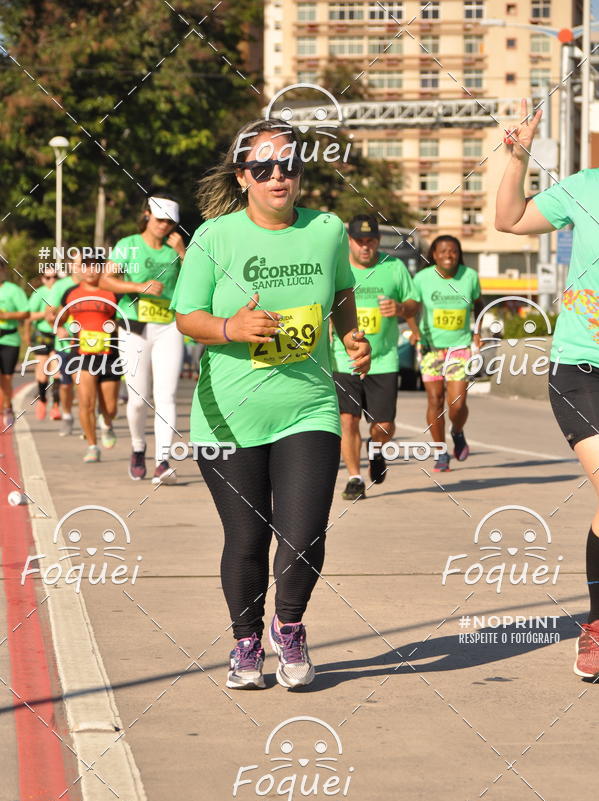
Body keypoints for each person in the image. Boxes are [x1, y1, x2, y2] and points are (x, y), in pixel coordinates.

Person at [172, 118, 370, 690]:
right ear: (244, 176)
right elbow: (187, 317)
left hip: (308, 405)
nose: (277, 175)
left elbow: (339, 293)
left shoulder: (328, 230)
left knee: (305, 531)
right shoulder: (215, 236)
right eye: (263, 167)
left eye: (288, 165)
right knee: (248, 537)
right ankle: (245, 644)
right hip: (227, 414)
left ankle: (289, 627)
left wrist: (351, 335)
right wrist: (232, 326)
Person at [496, 98, 599, 679]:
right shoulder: (585, 188)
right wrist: (518, 156)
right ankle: (597, 627)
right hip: (582, 368)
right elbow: (508, 220)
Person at [99, 192, 185, 483]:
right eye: (160, 220)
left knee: (167, 396)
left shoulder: (176, 248)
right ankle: (138, 447)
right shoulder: (128, 245)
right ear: (147, 215)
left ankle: (162, 461)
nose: (164, 226)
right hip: (133, 326)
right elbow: (105, 280)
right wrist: (139, 286)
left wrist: (184, 253)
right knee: (137, 400)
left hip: (169, 326)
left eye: (170, 222)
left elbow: (198, 279)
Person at [331, 214, 417, 500]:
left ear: (378, 242)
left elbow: (413, 304)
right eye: (359, 241)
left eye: (370, 241)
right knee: (348, 419)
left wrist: (401, 308)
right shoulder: (337, 268)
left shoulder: (393, 267)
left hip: (383, 359)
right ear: (350, 242)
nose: (365, 247)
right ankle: (355, 478)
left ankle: (377, 449)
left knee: (384, 426)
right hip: (345, 360)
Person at [411, 235, 481, 472]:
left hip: (459, 348)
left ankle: (457, 431)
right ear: (434, 254)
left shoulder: (470, 276)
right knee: (434, 400)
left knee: (457, 404)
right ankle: (441, 452)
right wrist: (413, 331)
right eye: (443, 251)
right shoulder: (421, 279)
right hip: (431, 349)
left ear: (459, 254)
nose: (448, 256)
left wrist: (478, 331)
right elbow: (411, 307)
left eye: (453, 251)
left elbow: (479, 305)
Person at [58, 260, 120, 462]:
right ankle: (92, 446)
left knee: (110, 408)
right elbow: (60, 316)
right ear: (79, 269)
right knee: (86, 402)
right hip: (81, 353)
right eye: (86, 266)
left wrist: (117, 327)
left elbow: (125, 317)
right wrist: (58, 326)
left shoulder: (113, 292)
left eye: (95, 266)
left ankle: (107, 423)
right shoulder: (71, 293)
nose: (90, 271)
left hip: (109, 354)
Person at [46, 257, 82, 436]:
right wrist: (59, 326)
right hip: (66, 345)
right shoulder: (61, 286)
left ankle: (98, 416)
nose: (80, 268)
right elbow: (49, 313)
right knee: (66, 385)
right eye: (77, 264)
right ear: (70, 266)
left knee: (88, 383)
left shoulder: (98, 284)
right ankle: (67, 415)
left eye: (84, 264)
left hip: (92, 344)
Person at [27, 268, 61, 421]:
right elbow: (29, 315)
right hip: (42, 334)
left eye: (54, 277)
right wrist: (45, 314)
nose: (52, 280)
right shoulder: (38, 293)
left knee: (57, 370)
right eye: (48, 277)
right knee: (42, 370)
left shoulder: (62, 290)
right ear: (43, 279)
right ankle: (42, 399)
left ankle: (56, 405)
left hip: (58, 334)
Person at [0, 262, 30, 429]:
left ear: (3, 270)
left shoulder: (13, 290)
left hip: (9, 339)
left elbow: (25, 312)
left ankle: (7, 406)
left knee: (6, 378)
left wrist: (6, 314)